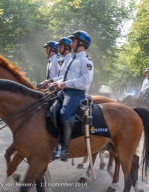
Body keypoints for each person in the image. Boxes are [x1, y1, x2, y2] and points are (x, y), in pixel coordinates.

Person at [50, 30, 94, 161]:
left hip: (76, 93)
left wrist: (65, 84)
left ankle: (64, 149)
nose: (72, 44)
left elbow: (85, 80)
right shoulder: (72, 59)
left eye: (74, 41)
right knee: (51, 109)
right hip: (65, 91)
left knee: (64, 114)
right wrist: (55, 83)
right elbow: (64, 77)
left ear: (82, 43)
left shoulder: (86, 61)